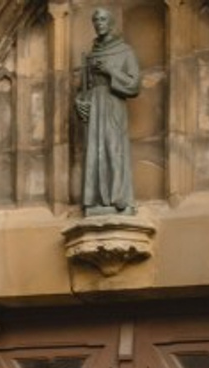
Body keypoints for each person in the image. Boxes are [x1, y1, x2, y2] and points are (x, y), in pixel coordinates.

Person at [76, 7, 141, 215]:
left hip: (113, 105)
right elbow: (84, 87)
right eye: (96, 20)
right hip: (95, 106)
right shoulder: (91, 54)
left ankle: (119, 199)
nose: (99, 23)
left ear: (110, 22)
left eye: (103, 19)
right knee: (94, 151)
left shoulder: (125, 51)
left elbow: (134, 84)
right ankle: (95, 201)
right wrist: (80, 102)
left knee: (114, 149)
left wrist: (110, 71)